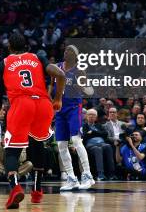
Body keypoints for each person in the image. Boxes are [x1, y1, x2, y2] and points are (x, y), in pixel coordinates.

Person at [0, 33, 66, 209]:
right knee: (38, 144)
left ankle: (15, 187)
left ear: (9, 47)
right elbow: (60, 74)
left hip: (21, 104)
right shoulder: (37, 57)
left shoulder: (3, 63)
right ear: (26, 46)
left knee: (12, 151)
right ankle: (37, 191)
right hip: (43, 104)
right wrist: (57, 98)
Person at [54, 45, 95, 191]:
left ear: (76, 56)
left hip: (73, 108)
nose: (67, 52)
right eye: (65, 50)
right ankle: (71, 178)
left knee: (77, 141)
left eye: (70, 51)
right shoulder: (56, 67)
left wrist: (81, 86)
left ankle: (88, 175)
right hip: (59, 110)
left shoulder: (79, 71)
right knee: (61, 146)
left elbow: (87, 90)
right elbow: (50, 86)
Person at [83, 109, 116, 181]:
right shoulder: (84, 126)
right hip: (90, 145)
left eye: (93, 115)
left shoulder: (99, 125)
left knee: (108, 146)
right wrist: (97, 133)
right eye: (89, 114)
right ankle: (100, 174)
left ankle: (111, 174)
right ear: (86, 116)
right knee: (98, 149)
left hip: (102, 143)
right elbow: (84, 136)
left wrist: (92, 132)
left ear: (96, 117)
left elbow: (105, 134)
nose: (91, 116)